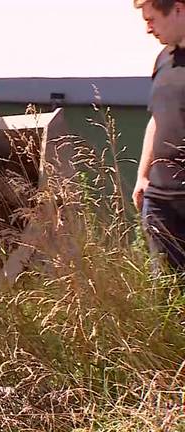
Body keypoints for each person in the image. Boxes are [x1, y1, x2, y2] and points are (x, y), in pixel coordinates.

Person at [132, 0, 185, 272]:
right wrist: (143, 176)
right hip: (160, 201)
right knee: (167, 295)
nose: (147, 29)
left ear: (178, 9)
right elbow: (156, 119)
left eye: (151, 19)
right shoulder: (163, 60)